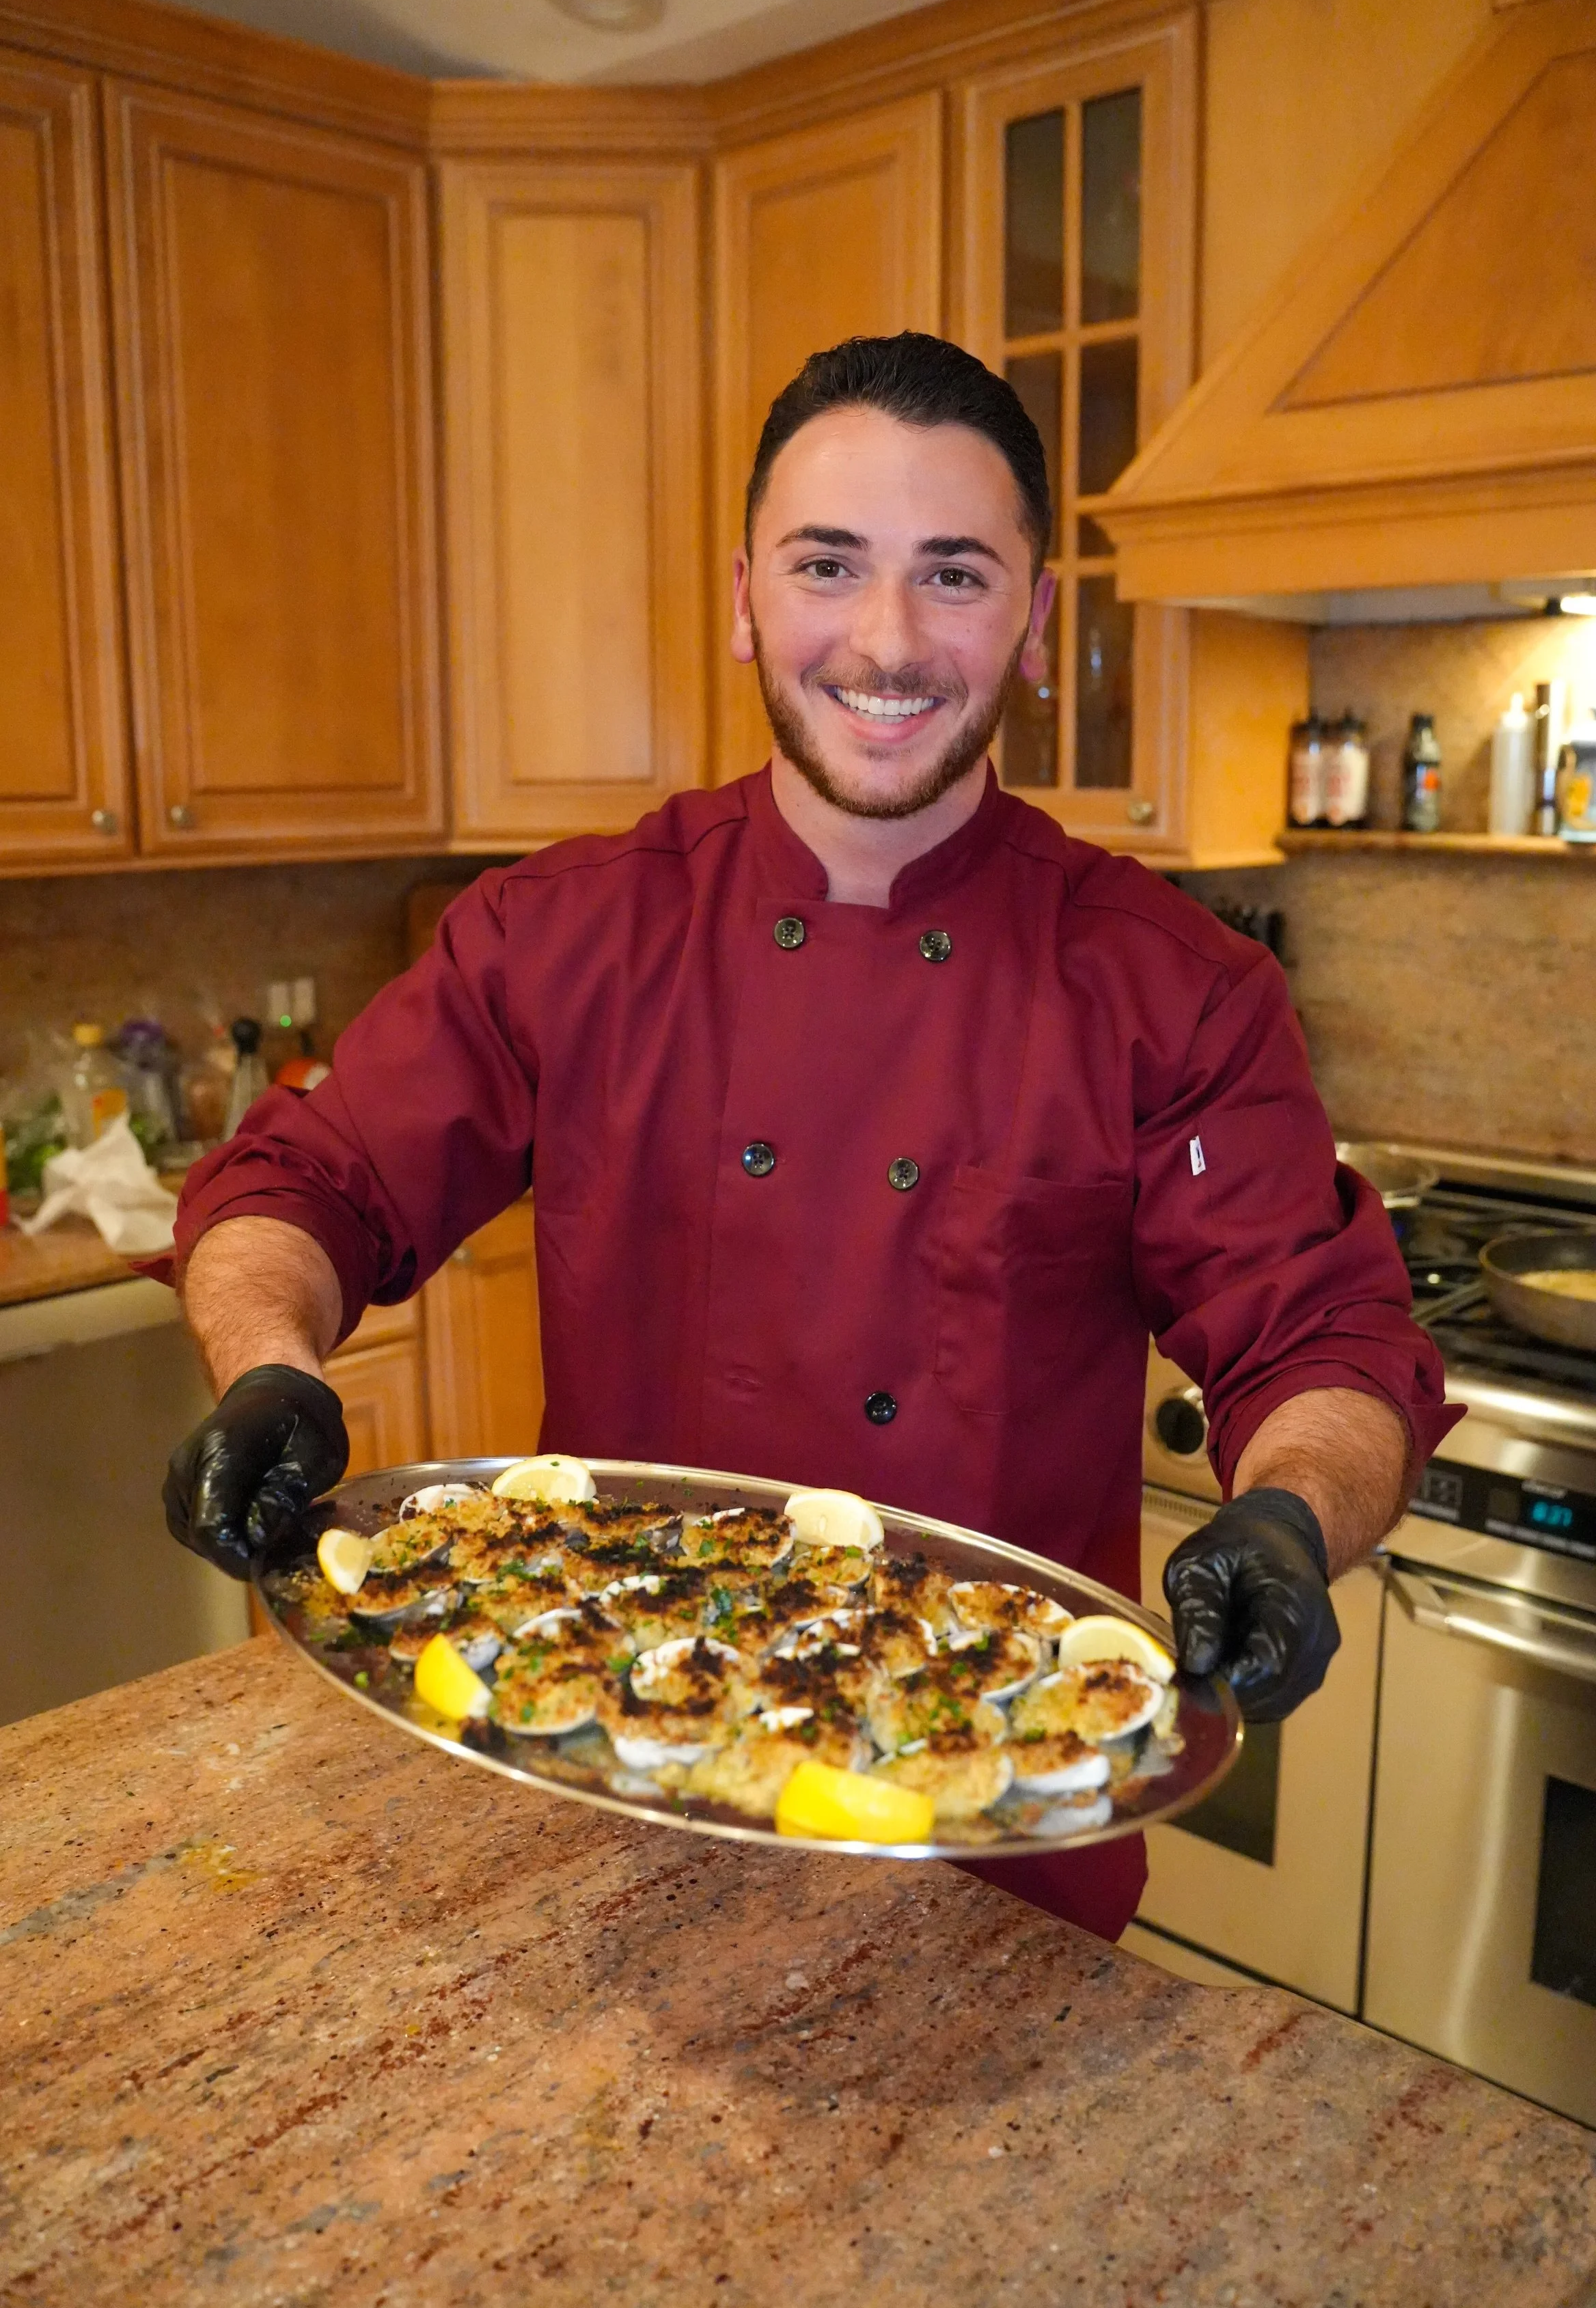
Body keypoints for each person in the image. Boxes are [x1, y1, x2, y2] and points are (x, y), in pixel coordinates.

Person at [162, 333, 1456, 1942]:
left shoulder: (1174, 991)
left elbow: (1323, 1337)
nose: (889, 639)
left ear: (1037, 621)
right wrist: (269, 1357)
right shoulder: (559, 932)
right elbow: (308, 1183)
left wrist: (1286, 1516)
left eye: (957, 575)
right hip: (610, 1787)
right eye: (829, 565)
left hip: (994, 1843)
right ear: (745, 597)